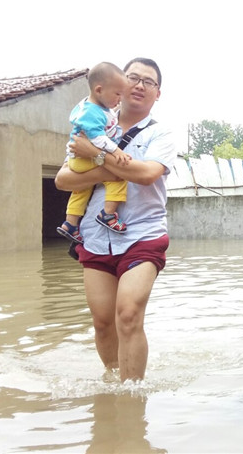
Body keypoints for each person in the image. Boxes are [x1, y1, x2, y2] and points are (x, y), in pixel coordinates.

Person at [54, 58, 177, 382]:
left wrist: (94, 156)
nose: (139, 85)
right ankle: (114, 384)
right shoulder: (93, 123)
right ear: (118, 86)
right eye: (132, 78)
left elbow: (149, 174)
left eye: (147, 82)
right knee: (103, 322)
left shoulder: (160, 133)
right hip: (96, 235)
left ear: (157, 93)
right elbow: (64, 180)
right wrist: (120, 165)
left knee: (128, 314)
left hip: (142, 233)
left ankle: (132, 397)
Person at [57, 62, 131, 243]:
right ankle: (108, 214)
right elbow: (98, 139)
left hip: (77, 159)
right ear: (99, 90)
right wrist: (117, 151)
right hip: (84, 157)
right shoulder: (92, 112)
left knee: (81, 189)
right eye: (117, 94)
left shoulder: (93, 108)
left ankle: (70, 224)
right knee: (118, 176)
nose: (120, 100)